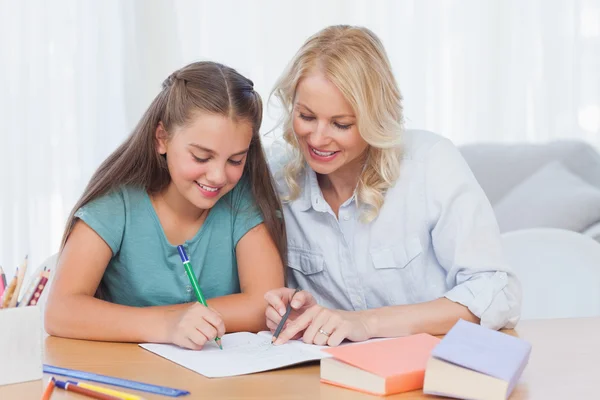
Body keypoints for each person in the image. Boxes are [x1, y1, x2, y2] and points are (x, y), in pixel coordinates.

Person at [264, 25, 521, 347]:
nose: (317, 138)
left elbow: (496, 291)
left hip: (433, 366)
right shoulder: (277, 178)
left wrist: (367, 323)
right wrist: (297, 312)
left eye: (341, 124)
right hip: (332, 373)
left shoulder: (430, 164)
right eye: (306, 116)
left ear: (375, 118)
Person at [45, 61, 286, 350]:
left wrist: (192, 320)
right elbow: (61, 311)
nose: (219, 176)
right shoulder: (115, 204)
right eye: (201, 157)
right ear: (162, 138)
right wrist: (168, 324)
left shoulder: (241, 200)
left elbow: (265, 303)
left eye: (235, 160)